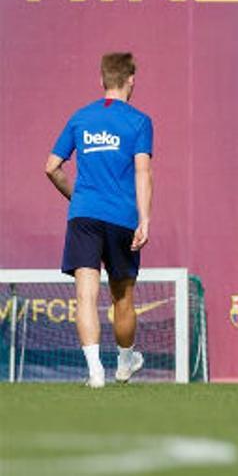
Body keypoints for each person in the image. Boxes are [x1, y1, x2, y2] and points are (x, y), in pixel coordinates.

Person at [45, 52, 153, 388]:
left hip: (85, 216)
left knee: (85, 296)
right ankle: (124, 362)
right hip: (122, 217)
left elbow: (51, 167)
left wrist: (77, 197)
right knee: (123, 298)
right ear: (131, 80)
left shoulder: (80, 118)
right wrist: (145, 219)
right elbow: (142, 171)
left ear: (101, 80)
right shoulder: (139, 121)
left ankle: (95, 373)